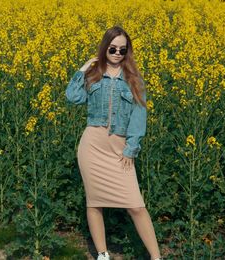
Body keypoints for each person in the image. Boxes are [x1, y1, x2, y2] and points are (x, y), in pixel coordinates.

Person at [65, 26, 162, 260]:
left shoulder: (134, 80)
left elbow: (139, 118)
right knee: (94, 202)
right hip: (92, 146)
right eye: (112, 48)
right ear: (104, 47)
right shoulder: (93, 76)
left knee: (136, 205)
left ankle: (157, 258)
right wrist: (83, 69)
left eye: (122, 49)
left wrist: (131, 149)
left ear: (127, 52)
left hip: (120, 149)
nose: (117, 52)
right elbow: (72, 97)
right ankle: (102, 254)